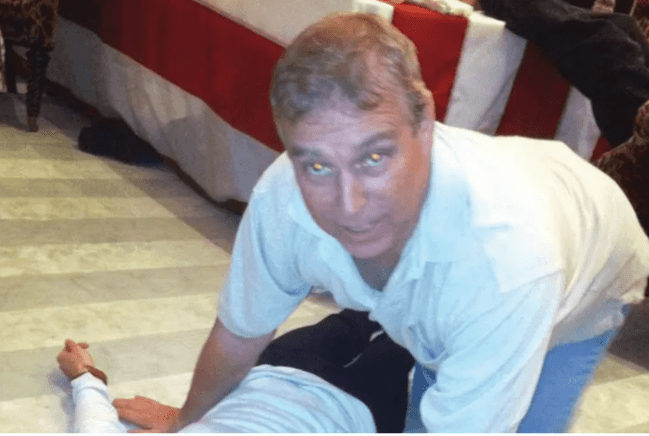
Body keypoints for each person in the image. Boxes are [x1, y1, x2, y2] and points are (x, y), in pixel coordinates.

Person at [114, 12, 649, 433]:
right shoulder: (283, 196)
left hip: (593, 263)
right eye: (317, 166)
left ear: (426, 123)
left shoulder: (503, 264)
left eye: (373, 157)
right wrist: (187, 423)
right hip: (504, 237)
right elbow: (238, 338)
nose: (349, 207)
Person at [57, 310, 414, 433]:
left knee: (357, 316)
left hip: (273, 374)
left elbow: (94, 422)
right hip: (358, 410)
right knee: (411, 334)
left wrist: (84, 376)